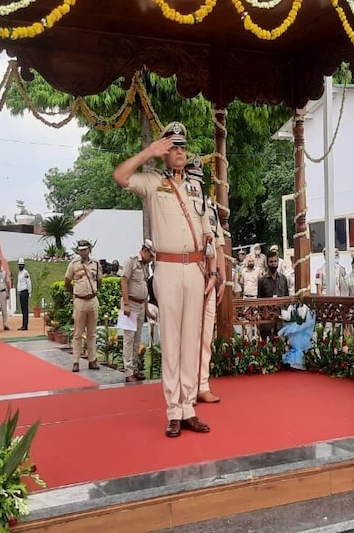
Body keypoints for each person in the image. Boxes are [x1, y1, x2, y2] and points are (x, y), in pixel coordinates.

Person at [113, 120, 218, 438]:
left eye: (183, 147)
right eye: (173, 147)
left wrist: (212, 272)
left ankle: (188, 408)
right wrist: (149, 151)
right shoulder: (151, 181)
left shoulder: (196, 187)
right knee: (171, 342)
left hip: (196, 269)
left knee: (191, 342)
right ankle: (173, 410)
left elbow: (206, 232)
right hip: (169, 268)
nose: (180, 152)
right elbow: (120, 176)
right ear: (163, 152)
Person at [190, 156, 226, 405]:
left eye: (198, 181)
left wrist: (222, 277)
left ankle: (202, 384)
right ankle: (186, 388)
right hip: (189, 274)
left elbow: (219, 244)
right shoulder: (178, 205)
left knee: (205, 337)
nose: (195, 185)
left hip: (209, 279)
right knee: (187, 335)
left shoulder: (209, 209)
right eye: (192, 179)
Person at [65, 240, 102, 372]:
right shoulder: (73, 264)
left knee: (92, 333)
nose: (82, 252)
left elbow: (99, 280)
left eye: (85, 249)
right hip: (79, 300)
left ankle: (92, 360)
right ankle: (76, 361)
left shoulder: (96, 264)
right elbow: (67, 281)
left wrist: (93, 291)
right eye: (80, 250)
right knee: (78, 333)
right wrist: (75, 293)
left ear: (89, 250)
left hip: (92, 300)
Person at [121, 240, 154, 383]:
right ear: (145, 251)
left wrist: (146, 309)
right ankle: (128, 371)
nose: (152, 259)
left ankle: (135, 368)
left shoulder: (146, 266)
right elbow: (123, 280)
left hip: (140, 305)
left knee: (137, 339)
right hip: (130, 304)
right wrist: (126, 304)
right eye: (151, 256)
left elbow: (144, 287)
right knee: (129, 339)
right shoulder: (131, 261)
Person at [257, 251, 290, 339]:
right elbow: (259, 300)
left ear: (278, 262)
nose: (273, 264)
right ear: (267, 263)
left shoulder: (283, 279)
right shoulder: (262, 280)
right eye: (271, 262)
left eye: (275, 261)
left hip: (281, 319)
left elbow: (287, 297)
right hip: (267, 320)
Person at [16, 257, 32, 331]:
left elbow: (28, 282)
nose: (20, 266)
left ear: (24, 265)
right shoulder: (19, 273)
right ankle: (23, 325)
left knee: (25, 309)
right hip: (21, 292)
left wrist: (29, 292)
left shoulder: (25, 272)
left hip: (25, 292)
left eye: (21, 265)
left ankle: (25, 326)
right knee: (23, 309)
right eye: (19, 265)